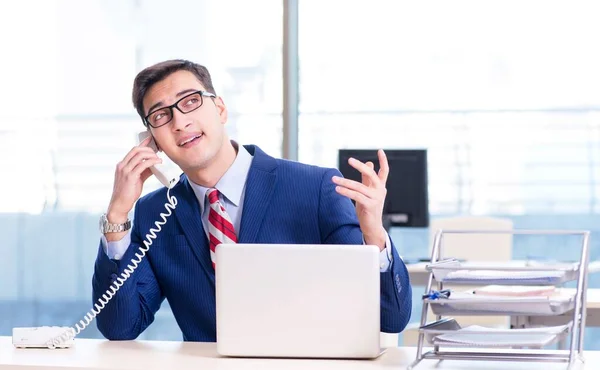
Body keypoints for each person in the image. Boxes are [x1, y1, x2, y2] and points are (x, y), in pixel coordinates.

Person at [93, 59, 412, 341]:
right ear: (151, 140)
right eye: (161, 115)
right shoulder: (155, 212)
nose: (179, 122)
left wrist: (374, 236)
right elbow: (121, 326)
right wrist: (117, 215)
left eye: (190, 102)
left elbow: (391, 319)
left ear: (220, 109)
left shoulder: (316, 189)